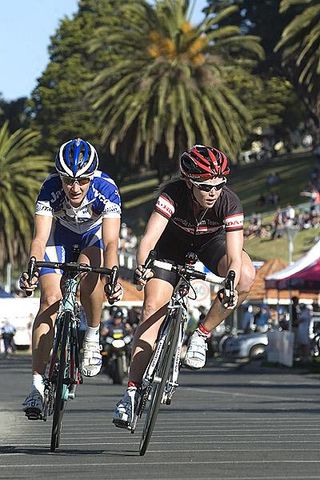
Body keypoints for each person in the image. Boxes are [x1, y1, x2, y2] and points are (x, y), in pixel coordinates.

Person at [112, 144, 256, 429]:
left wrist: (230, 284)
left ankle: (202, 334)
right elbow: (149, 239)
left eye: (218, 185)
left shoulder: (230, 202)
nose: (212, 192)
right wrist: (143, 267)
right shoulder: (172, 194)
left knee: (246, 276)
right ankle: (130, 392)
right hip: (169, 248)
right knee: (152, 309)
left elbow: (235, 254)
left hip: (210, 246)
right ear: (189, 182)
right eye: (204, 186)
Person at [19, 138, 123, 419]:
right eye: (68, 180)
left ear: (93, 177)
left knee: (91, 273)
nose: (74, 188)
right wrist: (31, 270)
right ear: (60, 177)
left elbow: (111, 243)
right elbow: (40, 239)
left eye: (82, 181)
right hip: (58, 240)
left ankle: (91, 337)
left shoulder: (107, 190)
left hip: (91, 239)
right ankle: (37, 388)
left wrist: (113, 277)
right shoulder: (49, 189)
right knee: (50, 300)